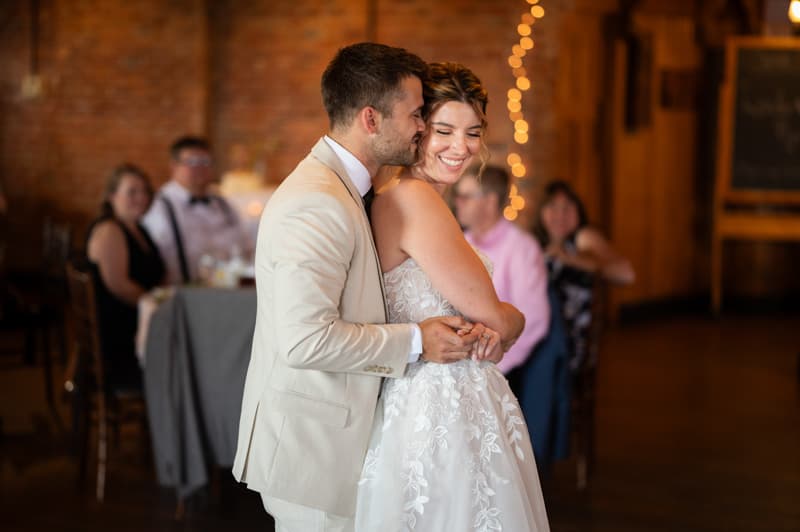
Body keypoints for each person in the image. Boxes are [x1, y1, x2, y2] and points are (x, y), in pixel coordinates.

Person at [233, 43, 488, 532]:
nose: (421, 126)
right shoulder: (316, 200)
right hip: (312, 454)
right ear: (372, 119)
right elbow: (305, 339)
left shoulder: (351, 190)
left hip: (346, 444)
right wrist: (417, 339)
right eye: (416, 114)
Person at [355, 62, 550, 531]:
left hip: (427, 397)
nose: (460, 147)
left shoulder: (398, 195)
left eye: (473, 132)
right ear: (418, 127)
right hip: (438, 406)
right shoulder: (416, 199)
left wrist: (495, 323)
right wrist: (507, 321)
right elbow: (500, 321)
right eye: (444, 130)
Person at [454, 165, 549, 374]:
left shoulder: (521, 247)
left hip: (507, 369)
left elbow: (534, 318)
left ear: (490, 202)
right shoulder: (462, 243)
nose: (457, 203)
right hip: (463, 360)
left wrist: (497, 365)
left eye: (466, 196)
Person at [533, 180, 635, 372]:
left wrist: (567, 257)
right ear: (541, 212)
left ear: (578, 211)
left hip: (566, 338)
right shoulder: (534, 245)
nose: (560, 214)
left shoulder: (582, 237)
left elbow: (626, 274)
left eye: (568, 207)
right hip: (539, 332)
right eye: (553, 206)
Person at [85, 164, 165, 391]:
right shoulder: (110, 230)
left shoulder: (138, 229)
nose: (140, 198)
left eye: (144, 191)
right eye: (132, 192)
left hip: (138, 321)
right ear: (112, 196)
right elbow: (118, 285)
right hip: (120, 337)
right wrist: (157, 307)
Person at [142, 136, 250, 285]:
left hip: (227, 293)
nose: (200, 168)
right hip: (182, 296)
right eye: (192, 162)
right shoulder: (160, 208)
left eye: (205, 162)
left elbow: (246, 245)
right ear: (174, 166)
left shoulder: (223, 204)